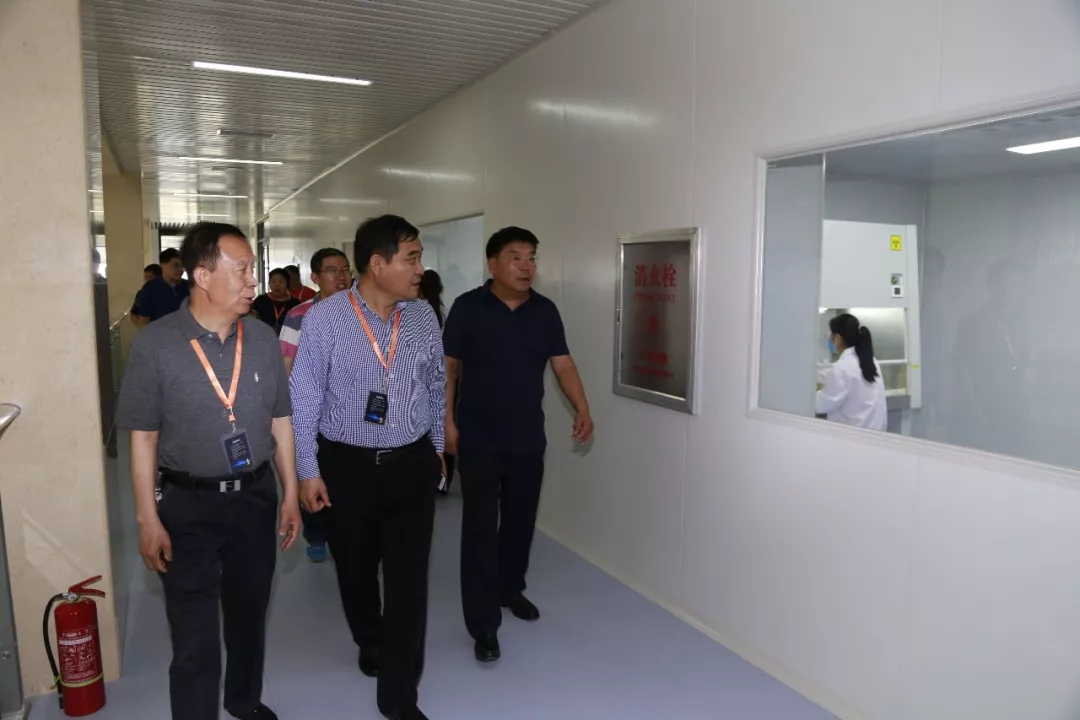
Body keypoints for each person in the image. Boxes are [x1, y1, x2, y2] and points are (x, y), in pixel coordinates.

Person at [115, 222, 301, 720]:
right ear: (202, 276)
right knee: (193, 634)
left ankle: (243, 699)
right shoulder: (156, 345)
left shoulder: (262, 338)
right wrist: (147, 519)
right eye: (241, 270)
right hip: (187, 504)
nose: (253, 280)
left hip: (255, 497)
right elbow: (143, 437)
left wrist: (289, 492)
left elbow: (280, 420)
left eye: (253, 269)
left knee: (248, 614)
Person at [290, 215, 445, 720]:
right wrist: (308, 470)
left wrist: (437, 451)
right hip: (347, 468)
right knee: (355, 571)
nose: (420, 269)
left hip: (411, 465)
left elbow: (436, 386)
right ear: (378, 264)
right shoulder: (326, 319)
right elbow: (304, 398)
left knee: (408, 583)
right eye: (412, 258)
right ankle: (369, 637)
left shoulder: (422, 317)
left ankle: (399, 696)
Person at [443, 226, 593, 664]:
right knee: (479, 528)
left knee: (520, 522)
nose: (526, 266)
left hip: (527, 436)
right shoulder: (468, 307)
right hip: (478, 437)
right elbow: (448, 368)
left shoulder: (545, 311)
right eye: (515, 257)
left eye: (531, 257)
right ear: (492, 264)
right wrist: (446, 421)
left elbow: (563, 365)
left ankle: (510, 589)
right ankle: (483, 624)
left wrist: (582, 407)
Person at [278, 247, 352, 563]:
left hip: (347, 413)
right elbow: (285, 364)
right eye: (332, 270)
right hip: (309, 412)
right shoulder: (299, 316)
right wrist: (285, 413)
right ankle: (316, 534)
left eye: (345, 269)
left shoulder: (361, 311)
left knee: (344, 479)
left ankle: (345, 532)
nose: (341, 276)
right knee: (311, 471)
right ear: (315, 277)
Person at [815, 312, 887, 431]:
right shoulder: (871, 361)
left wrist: (808, 395)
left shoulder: (842, 367)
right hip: (875, 433)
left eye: (831, 336)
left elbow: (823, 404)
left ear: (838, 338)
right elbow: (844, 377)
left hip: (852, 436)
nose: (830, 341)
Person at [418, 268, 455, 494]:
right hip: (442, 378)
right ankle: (443, 478)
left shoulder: (421, 313)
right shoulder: (444, 311)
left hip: (426, 379)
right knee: (439, 425)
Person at [135, 247, 189, 324]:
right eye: (176, 265)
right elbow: (144, 321)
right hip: (159, 331)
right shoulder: (150, 289)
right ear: (162, 265)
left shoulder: (189, 287)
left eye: (182, 266)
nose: (180, 269)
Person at [251, 268, 300, 334]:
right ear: (269, 283)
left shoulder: (295, 303)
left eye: (281, 282)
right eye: (273, 281)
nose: (277, 285)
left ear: (287, 284)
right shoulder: (260, 301)